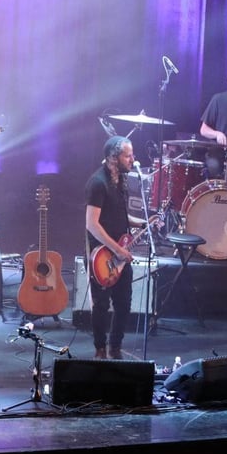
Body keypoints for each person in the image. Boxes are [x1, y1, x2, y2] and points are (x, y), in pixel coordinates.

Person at [85, 136, 136, 359]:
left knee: (124, 303)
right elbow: (92, 224)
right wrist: (117, 250)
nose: (132, 160)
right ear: (113, 158)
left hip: (119, 253)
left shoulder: (120, 181)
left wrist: (143, 222)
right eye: (128, 155)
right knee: (101, 305)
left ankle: (116, 348)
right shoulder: (98, 183)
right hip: (103, 253)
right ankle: (100, 349)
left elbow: (119, 215)